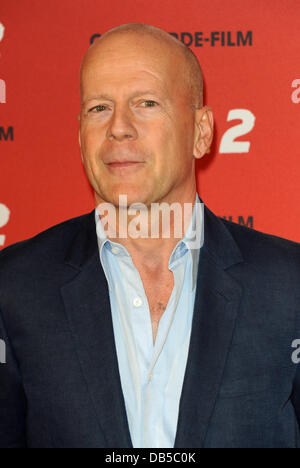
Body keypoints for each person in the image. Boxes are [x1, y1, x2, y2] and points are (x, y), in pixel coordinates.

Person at [0, 23, 300, 449]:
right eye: (99, 108)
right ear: (80, 136)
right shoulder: (15, 287)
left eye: (146, 103)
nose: (119, 128)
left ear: (200, 133)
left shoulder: (288, 285)